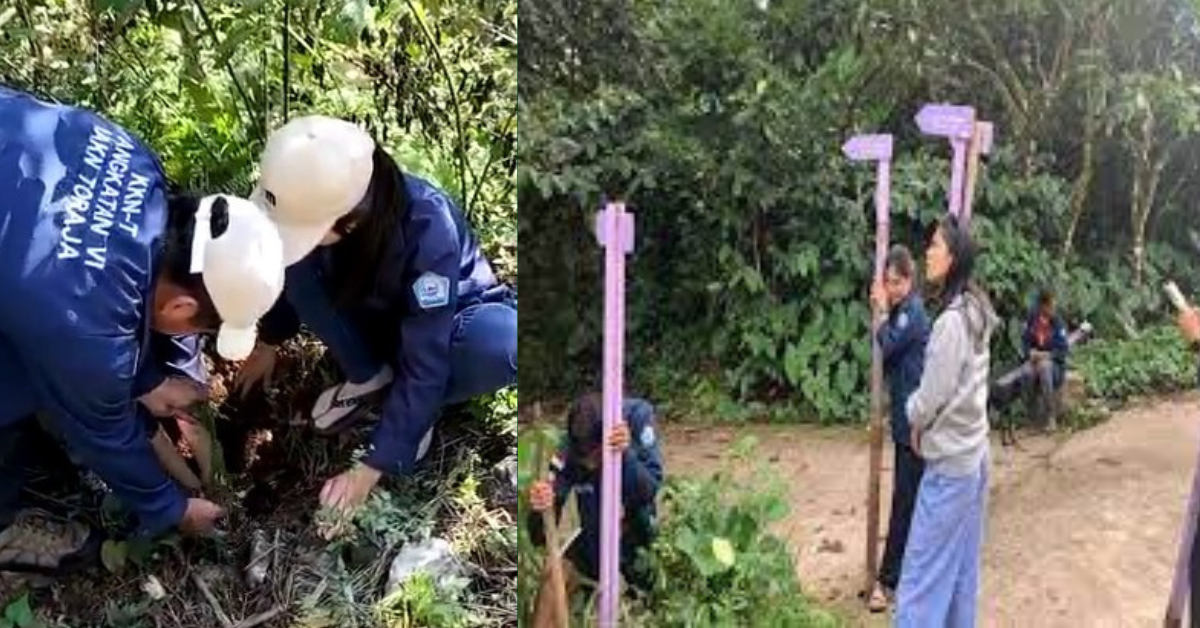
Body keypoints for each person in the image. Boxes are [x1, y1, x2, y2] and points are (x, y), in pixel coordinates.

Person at [0, 86, 286, 573]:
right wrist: (171, 507)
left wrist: (156, 377)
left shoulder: (133, 158)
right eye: (204, 327)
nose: (196, 336)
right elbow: (104, 432)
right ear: (181, 305)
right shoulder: (83, 329)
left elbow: (124, 282)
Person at [233, 116, 518, 522]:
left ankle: (410, 416)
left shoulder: (427, 227)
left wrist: (372, 465)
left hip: (446, 329)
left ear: (348, 220)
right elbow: (288, 269)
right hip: (376, 320)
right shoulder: (330, 207)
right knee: (297, 262)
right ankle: (370, 377)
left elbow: (427, 352)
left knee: (503, 343)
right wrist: (268, 342)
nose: (299, 239)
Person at [895, 215, 997, 628]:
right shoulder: (977, 307)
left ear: (952, 258)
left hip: (951, 469)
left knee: (919, 580)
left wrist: (911, 413)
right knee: (959, 571)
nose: (928, 252)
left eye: (935, 245)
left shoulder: (951, 322)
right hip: (974, 456)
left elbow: (929, 400)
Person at [527, 394, 663, 615]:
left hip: (639, 537)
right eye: (584, 461)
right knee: (553, 579)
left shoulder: (638, 418)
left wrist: (625, 456)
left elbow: (647, 492)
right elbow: (539, 537)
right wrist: (540, 507)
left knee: (646, 607)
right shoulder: (569, 448)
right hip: (594, 540)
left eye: (596, 457)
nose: (590, 465)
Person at [868, 245, 930, 612]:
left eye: (895, 282)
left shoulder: (912, 312)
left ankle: (888, 581)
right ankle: (905, 574)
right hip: (909, 424)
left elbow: (888, 346)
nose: (890, 289)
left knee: (905, 502)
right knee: (912, 499)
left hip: (915, 426)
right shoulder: (903, 310)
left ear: (909, 280)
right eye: (887, 283)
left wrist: (879, 312)